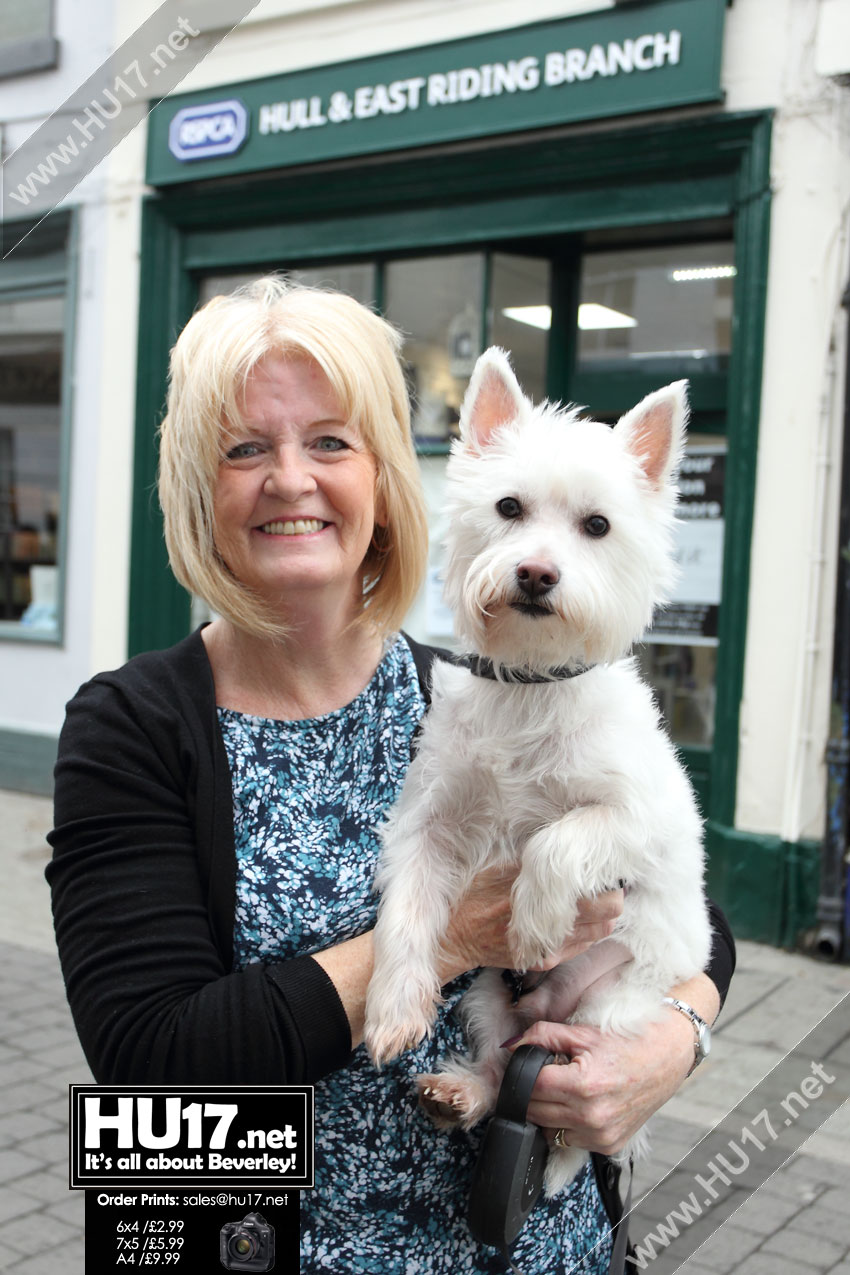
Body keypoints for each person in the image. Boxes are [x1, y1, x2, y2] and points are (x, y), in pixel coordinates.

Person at [47, 277, 734, 1274]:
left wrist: (671, 1042)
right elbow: (151, 1068)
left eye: (330, 440)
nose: (290, 478)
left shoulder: (473, 688)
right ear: (200, 483)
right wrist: (452, 936)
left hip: (541, 1248)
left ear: (384, 477)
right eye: (245, 447)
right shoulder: (133, 729)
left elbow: (685, 911)